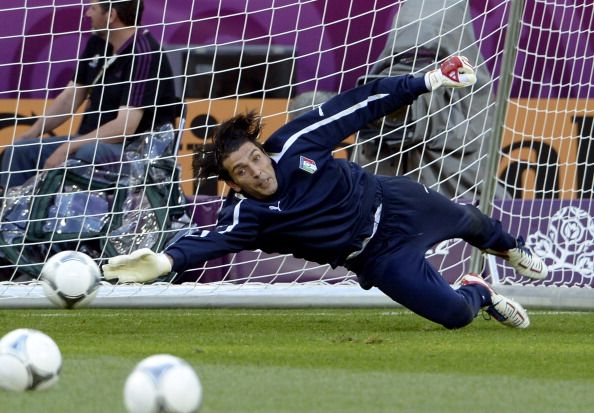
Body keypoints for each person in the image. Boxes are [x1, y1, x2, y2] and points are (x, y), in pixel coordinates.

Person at [103, 56, 548, 330]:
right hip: (375, 258)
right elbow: (207, 242)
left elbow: (361, 101)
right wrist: (164, 261)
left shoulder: (296, 142)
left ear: (263, 150)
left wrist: (428, 80)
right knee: (455, 316)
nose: (257, 171)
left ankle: (511, 248)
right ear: (234, 183)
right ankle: (480, 292)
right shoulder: (246, 215)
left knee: (472, 222)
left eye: (256, 158)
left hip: (393, 202)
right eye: (243, 171)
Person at [0, 0, 178, 191]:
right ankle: (12, 218)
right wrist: (30, 133)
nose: (87, 13)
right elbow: (69, 98)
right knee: (19, 151)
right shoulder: (98, 43)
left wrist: (69, 147)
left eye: (93, 8)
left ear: (111, 16)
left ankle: (72, 217)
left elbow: (124, 127)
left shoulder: (144, 53)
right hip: (91, 140)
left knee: (86, 152)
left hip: (134, 150)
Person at [355, 0, 507, 199]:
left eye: (429, 55)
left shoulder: (473, 89)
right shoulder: (377, 88)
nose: (414, 69)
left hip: (453, 203)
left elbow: (469, 144)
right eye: (404, 54)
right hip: (390, 203)